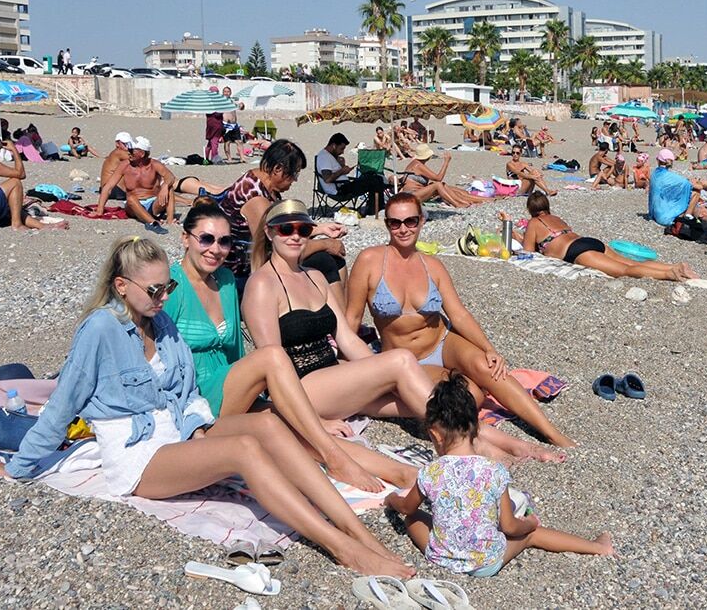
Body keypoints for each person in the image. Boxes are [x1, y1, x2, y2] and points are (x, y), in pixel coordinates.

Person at [0, 237, 412, 578]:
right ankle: (340, 546)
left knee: (271, 427)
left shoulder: (161, 324)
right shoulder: (100, 330)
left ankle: (357, 531)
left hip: (179, 433)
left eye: (168, 287)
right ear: (121, 286)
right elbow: (64, 404)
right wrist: (21, 466)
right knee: (243, 450)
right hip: (139, 453)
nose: (163, 297)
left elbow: (189, 392)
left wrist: (198, 426)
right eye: (154, 290)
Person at [165, 198, 415, 492]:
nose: (215, 249)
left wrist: (255, 393)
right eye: (206, 239)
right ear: (185, 238)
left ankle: (403, 474)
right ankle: (333, 456)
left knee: (295, 430)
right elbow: (156, 360)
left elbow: (234, 351)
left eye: (224, 241)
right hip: (194, 395)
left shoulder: (226, 280)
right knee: (280, 375)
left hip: (230, 388)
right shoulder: (170, 286)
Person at [242, 199, 475, 468]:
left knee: (414, 398)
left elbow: (346, 338)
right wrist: (314, 422)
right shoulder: (262, 284)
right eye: (286, 230)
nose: (295, 236)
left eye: (303, 230)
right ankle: (463, 451)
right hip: (300, 389)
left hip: (331, 378)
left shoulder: (314, 276)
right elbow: (270, 365)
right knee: (400, 361)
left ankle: (480, 438)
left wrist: (380, 370)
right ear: (270, 233)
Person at [346, 193, 575, 453]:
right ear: (387, 224)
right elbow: (351, 318)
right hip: (407, 358)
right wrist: (351, 372)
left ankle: (552, 434)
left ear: (421, 221)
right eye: (395, 223)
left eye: (410, 221)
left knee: (488, 367)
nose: (403, 229)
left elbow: (459, 314)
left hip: (442, 341)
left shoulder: (432, 265)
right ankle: (492, 438)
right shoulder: (369, 261)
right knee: (472, 397)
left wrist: (489, 348)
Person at [385, 373, 613, 578]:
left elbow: (407, 508)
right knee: (532, 535)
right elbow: (509, 527)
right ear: (475, 428)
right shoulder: (494, 471)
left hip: (443, 558)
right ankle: (598, 547)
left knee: (413, 518)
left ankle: (449, 546)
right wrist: (528, 525)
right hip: (486, 563)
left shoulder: (431, 472)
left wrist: (392, 500)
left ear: (435, 435)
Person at [216, 140, 349, 298]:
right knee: (326, 261)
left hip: (261, 261)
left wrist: (320, 229)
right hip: (243, 274)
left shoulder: (264, 184)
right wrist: (325, 244)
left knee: (334, 259)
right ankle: (341, 320)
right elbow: (278, 248)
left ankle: (344, 318)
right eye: (294, 174)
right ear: (278, 169)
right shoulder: (256, 198)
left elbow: (282, 230)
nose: (295, 180)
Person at [516, 193, 698, 281]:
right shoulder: (556, 218)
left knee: (624, 271)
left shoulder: (534, 222)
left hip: (577, 252)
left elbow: (528, 252)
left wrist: (515, 236)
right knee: (629, 262)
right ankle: (676, 266)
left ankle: (669, 274)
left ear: (530, 210)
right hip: (588, 242)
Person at [96, 136, 177, 234]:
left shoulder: (154, 164)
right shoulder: (125, 165)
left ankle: (170, 219)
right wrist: (100, 210)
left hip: (153, 204)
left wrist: (165, 186)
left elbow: (170, 177)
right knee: (131, 198)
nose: (128, 152)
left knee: (169, 188)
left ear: (142, 153)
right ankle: (153, 223)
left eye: (131, 150)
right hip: (133, 206)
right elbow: (108, 187)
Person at [399, 145, 495, 208]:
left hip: (420, 192)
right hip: (412, 196)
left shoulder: (418, 164)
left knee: (449, 187)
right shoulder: (418, 165)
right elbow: (438, 178)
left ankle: (483, 200)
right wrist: (446, 162)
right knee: (438, 185)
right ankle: (457, 204)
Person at [316, 133, 389, 215]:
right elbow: (327, 179)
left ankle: (375, 206)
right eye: (341, 148)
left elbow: (332, 172)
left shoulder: (328, 156)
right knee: (374, 180)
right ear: (334, 146)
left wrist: (341, 166)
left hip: (342, 186)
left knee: (372, 176)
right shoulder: (324, 157)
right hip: (339, 190)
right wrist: (342, 171)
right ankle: (374, 208)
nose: (342, 152)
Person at [100, 132, 135, 201]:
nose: (127, 146)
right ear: (117, 143)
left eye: (129, 143)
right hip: (113, 189)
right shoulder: (119, 152)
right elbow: (137, 159)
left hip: (105, 188)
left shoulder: (114, 153)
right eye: (124, 144)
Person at [220, 86, 245, 163]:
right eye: (225, 91)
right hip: (226, 125)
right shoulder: (220, 101)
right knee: (227, 142)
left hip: (234, 124)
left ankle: (242, 158)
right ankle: (229, 158)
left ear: (230, 93)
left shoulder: (233, 101)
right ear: (223, 93)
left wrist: (242, 105)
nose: (226, 93)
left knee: (239, 141)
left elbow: (241, 108)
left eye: (228, 91)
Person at [205, 86, 224, 162]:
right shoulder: (217, 103)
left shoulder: (207, 103)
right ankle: (214, 158)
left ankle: (205, 157)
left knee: (210, 143)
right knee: (214, 142)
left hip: (210, 125)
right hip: (216, 125)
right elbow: (217, 114)